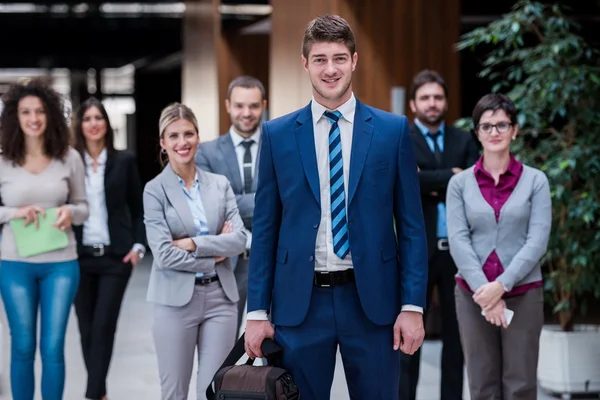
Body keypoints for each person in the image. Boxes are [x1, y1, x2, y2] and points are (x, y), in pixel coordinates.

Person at [244, 14, 428, 400]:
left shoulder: (392, 131)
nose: (331, 69)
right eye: (321, 59)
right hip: (300, 306)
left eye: (340, 58)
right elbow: (264, 230)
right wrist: (257, 312)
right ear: (305, 63)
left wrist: (413, 305)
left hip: (374, 306)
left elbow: (411, 227)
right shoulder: (277, 135)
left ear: (355, 61)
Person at [446, 93, 551, 399]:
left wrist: (501, 286)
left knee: (521, 384)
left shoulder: (536, 181)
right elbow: (458, 239)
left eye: (502, 125)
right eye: (487, 126)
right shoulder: (460, 184)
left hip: (524, 294)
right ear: (477, 132)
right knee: (482, 385)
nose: (494, 132)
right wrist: (486, 293)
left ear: (514, 130)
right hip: (471, 295)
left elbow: (537, 241)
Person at [143, 103, 247, 400]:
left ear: (198, 137)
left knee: (215, 392)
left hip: (221, 300)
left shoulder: (219, 184)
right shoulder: (155, 191)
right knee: (174, 393)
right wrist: (215, 253)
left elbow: (239, 240)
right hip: (175, 302)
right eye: (173, 136)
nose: (182, 142)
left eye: (188, 133)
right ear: (163, 143)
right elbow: (163, 255)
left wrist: (194, 243)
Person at [0, 78, 89, 400]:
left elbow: (83, 207)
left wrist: (69, 212)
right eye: (26, 112)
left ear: (50, 114)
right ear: (15, 116)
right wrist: (14, 213)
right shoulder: (2, 160)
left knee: (52, 348)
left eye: (39, 111)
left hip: (61, 264)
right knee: (22, 346)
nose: (33, 118)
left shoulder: (70, 158)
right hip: (14, 264)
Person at [400, 70, 479, 400]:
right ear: (413, 104)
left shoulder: (465, 140)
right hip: (416, 250)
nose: (432, 104)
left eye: (438, 97)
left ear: (446, 102)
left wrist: (428, 180)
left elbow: (472, 184)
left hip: (457, 252)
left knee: (456, 336)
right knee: (408, 336)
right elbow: (406, 183)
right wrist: (451, 177)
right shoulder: (401, 138)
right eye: (425, 98)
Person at [72, 97, 146, 400]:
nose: (93, 123)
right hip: (77, 257)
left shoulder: (123, 160)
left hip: (116, 257)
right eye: (87, 118)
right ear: (79, 125)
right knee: (87, 329)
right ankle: (100, 393)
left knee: (103, 326)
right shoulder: (69, 160)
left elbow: (138, 207)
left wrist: (138, 247)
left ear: (106, 124)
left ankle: (92, 394)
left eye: (98, 118)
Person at [196, 75, 267, 335]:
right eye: (239, 106)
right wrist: (267, 199)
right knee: (223, 348)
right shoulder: (206, 153)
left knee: (279, 349)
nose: (246, 113)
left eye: (253, 106)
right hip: (228, 263)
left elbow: (289, 200)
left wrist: (231, 200)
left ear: (264, 105)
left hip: (272, 262)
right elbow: (211, 205)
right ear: (227, 105)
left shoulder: (280, 146)